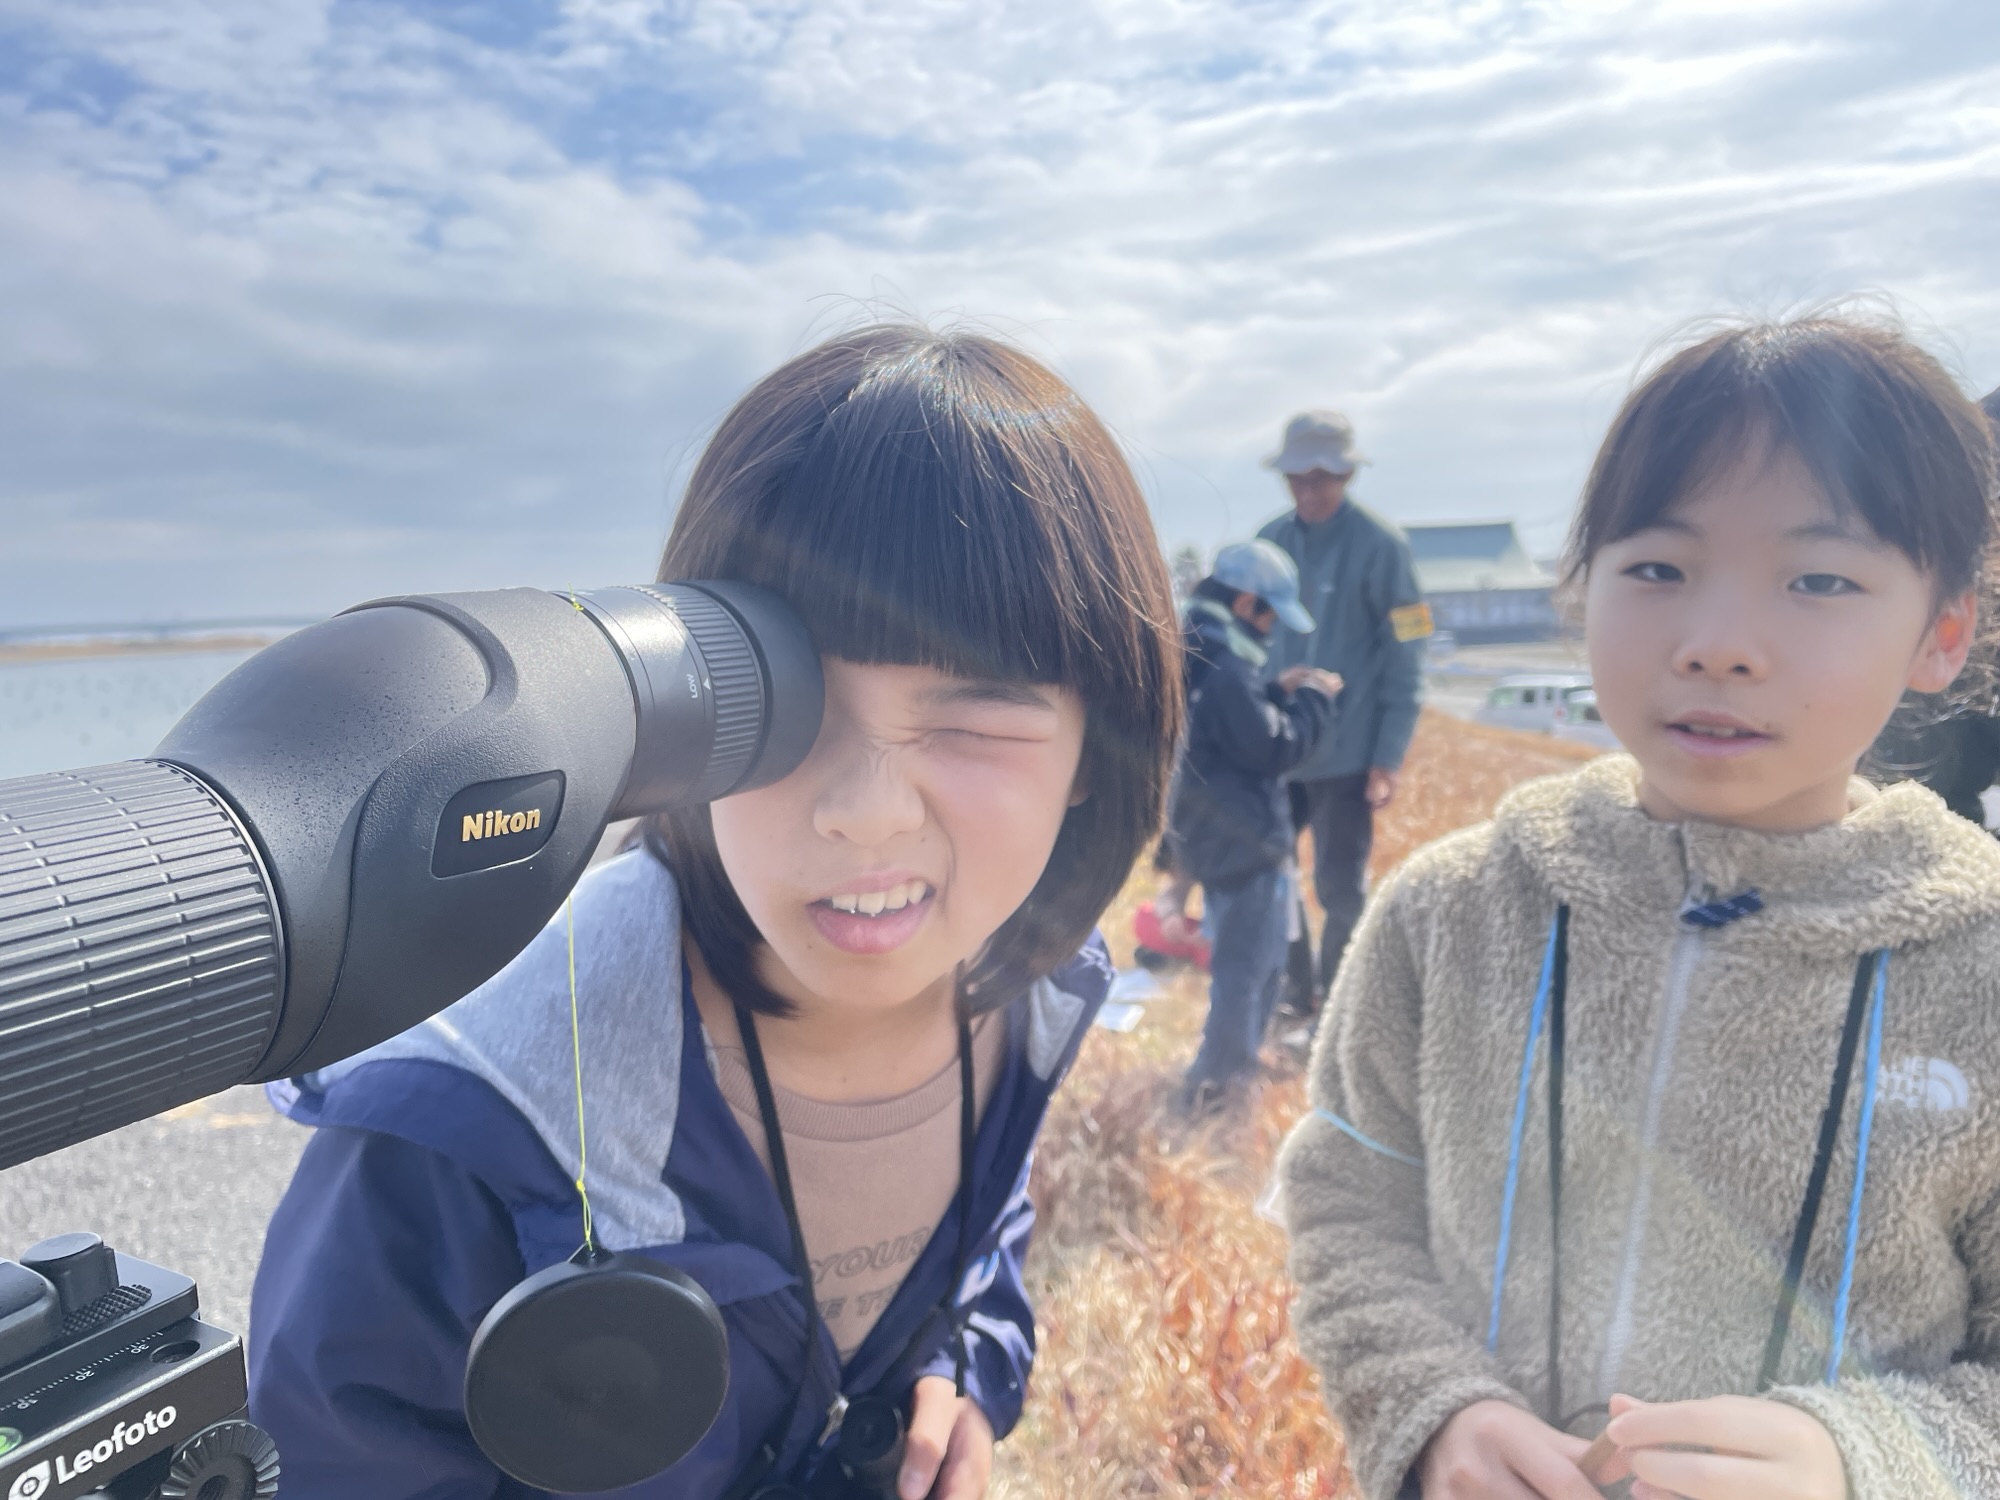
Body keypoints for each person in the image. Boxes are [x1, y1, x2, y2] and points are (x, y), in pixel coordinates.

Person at [247, 325, 1184, 1500]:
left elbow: (982, 1251)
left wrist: (960, 1374)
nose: (865, 814)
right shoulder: (462, 1121)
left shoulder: (1026, 997)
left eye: (973, 712)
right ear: (691, 720)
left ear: (1099, 746)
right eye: (789, 709)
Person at [1279, 315, 2000, 1500]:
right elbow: (1344, 1197)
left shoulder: (1975, 960)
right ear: (1582, 590)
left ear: (1942, 634)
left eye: (1818, 580)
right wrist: (1430, 1403)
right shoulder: (1445, 917)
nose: (1716, 646)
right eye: (1657, 568)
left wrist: (1866, 1459)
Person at [1257, 411, 1429, 1007]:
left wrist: (1388, 756)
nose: (1308, 490)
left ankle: (1339, 1002)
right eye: (1296, 478)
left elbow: (1409, 654)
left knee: (1340, 886)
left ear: (1347, 474)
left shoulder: (1384, 547)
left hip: (1348, 750)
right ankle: (1292, 989)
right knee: (1271, 875)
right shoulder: (1269, 543)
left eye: (1321, 478)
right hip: (1276, 746)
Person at [1165, 540, 1342, 1112]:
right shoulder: (1226, 669)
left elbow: (1228, 729)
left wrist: (1272, 692)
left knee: (1248, 965)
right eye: (1269, 615)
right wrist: (1313, 700)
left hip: (1216, 839)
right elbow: (1272, 746)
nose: (1270, 629)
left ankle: (1229, 1071)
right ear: (1246, 604)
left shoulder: (1199, 653)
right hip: (1246, 846)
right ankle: (1216, 1090)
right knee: (1249, 971)